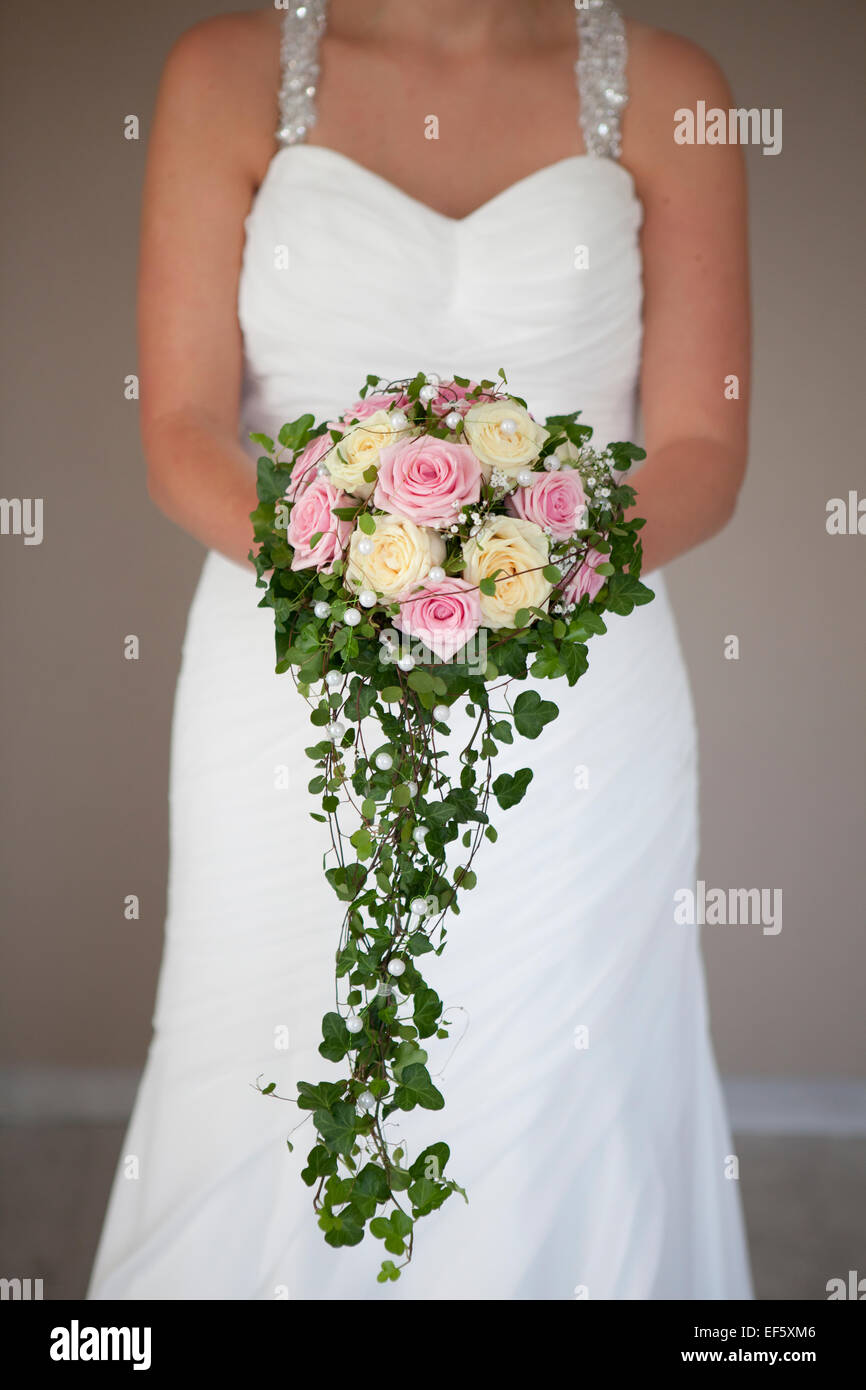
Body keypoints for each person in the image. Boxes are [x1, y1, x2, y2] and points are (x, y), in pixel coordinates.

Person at [89, 0, 753, 1299]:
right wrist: (357, 569)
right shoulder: (224, 72)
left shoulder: (671, 86)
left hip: (570, 678)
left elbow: (702, 452)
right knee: (271, 1046)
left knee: (563, 1068)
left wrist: (523, 572)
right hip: (287, 663)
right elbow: (180, 429)